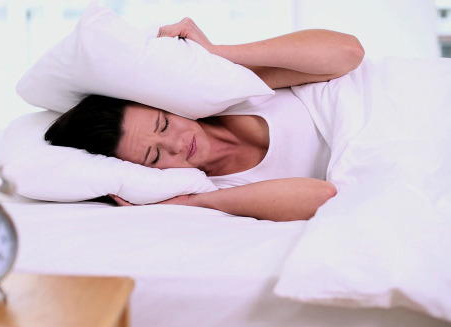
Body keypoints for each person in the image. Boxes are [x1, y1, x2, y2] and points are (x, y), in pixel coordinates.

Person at [45, 18, 365, 221]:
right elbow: (322, 197)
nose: (178, 144)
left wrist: (214, 53)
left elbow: (348, 52)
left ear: (166, 105)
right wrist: (191, 202)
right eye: (155, 156)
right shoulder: (219, 189)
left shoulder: (234, 92)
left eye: (164, 124)